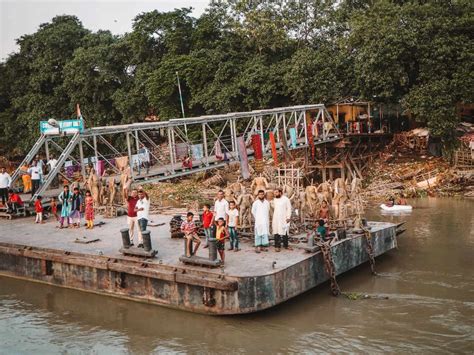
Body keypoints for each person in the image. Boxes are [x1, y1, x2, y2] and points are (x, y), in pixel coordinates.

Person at [272, 187, 292, 252]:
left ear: (280, 192)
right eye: (274, 192)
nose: (275, 194)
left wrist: (288, 217)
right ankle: (277, 246)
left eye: (276, 192)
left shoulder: (286, 199)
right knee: (276, 232)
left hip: (284, 218)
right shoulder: (274, 200)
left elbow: (289, 208)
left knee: (285, 232)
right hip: (276, 219)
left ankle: (286, 245)